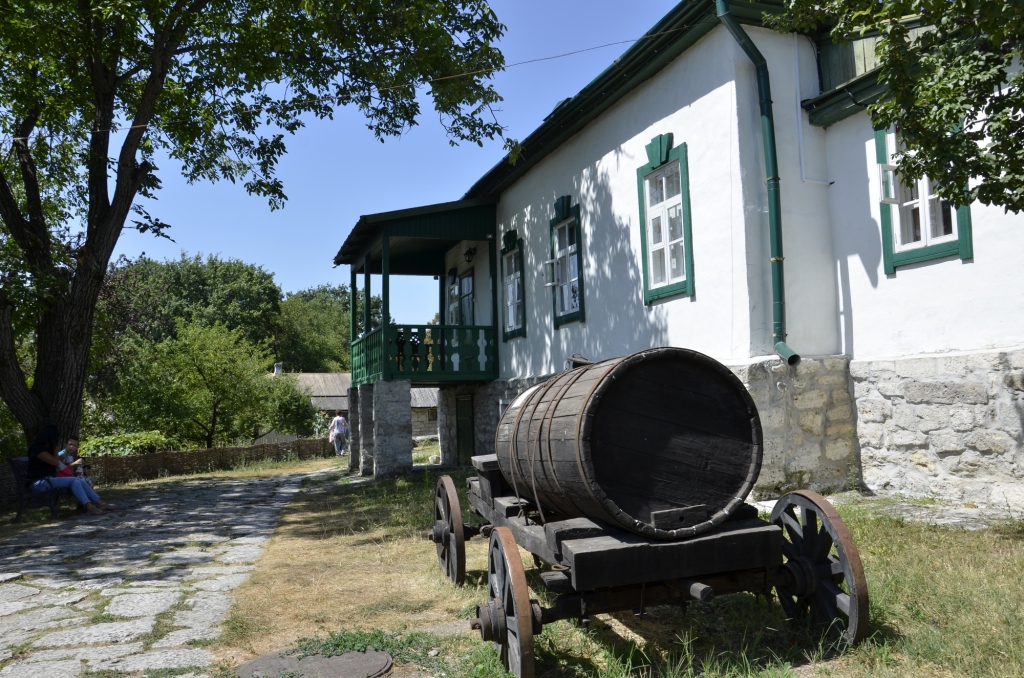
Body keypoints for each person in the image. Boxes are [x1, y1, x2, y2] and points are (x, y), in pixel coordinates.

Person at [26, 426, 116, 516]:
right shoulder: (37, 449)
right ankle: (89, 507)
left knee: (79, 479)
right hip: (38, 483)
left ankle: (101, 504)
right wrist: (55, 450)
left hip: (49, 480)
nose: (56, 440)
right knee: (74, 480)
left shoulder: (46, 450)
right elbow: (55, 462)